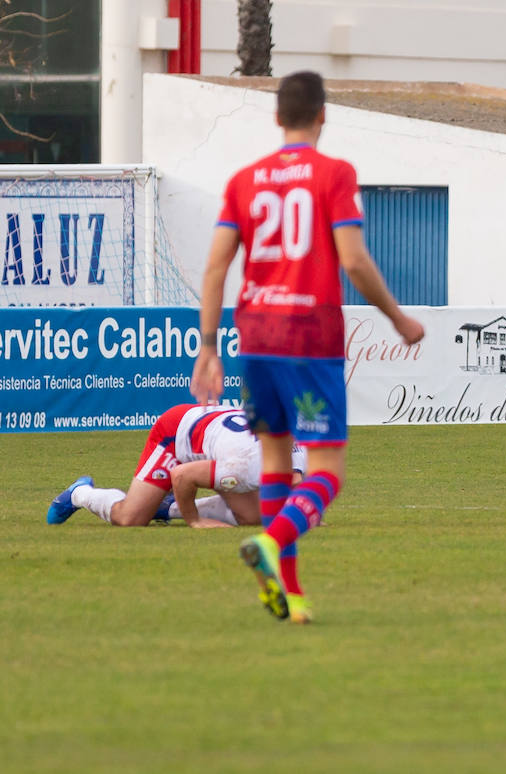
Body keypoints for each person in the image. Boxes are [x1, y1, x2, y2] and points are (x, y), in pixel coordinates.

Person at [191, 71, 425, 623]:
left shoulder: (244, 181)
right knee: (327, 471)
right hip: (310, 336)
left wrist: (208, 346)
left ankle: (290, 595)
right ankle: (273, 542)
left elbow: (216, 266)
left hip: (255, 338)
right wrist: (397, 318)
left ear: (277, 118)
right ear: (323, 116)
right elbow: (354, 261)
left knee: (275, 458)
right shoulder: (334, 174)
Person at [45, 404, 304, 529]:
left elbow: (299, 486)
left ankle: (166, 507)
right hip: (175, 432)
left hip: (214, 436)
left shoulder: (300, 445)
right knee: (131, 519)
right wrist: (196, 521)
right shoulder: (244, 465)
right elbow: (182, 476)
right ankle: (79, 494)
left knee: (252, 516)